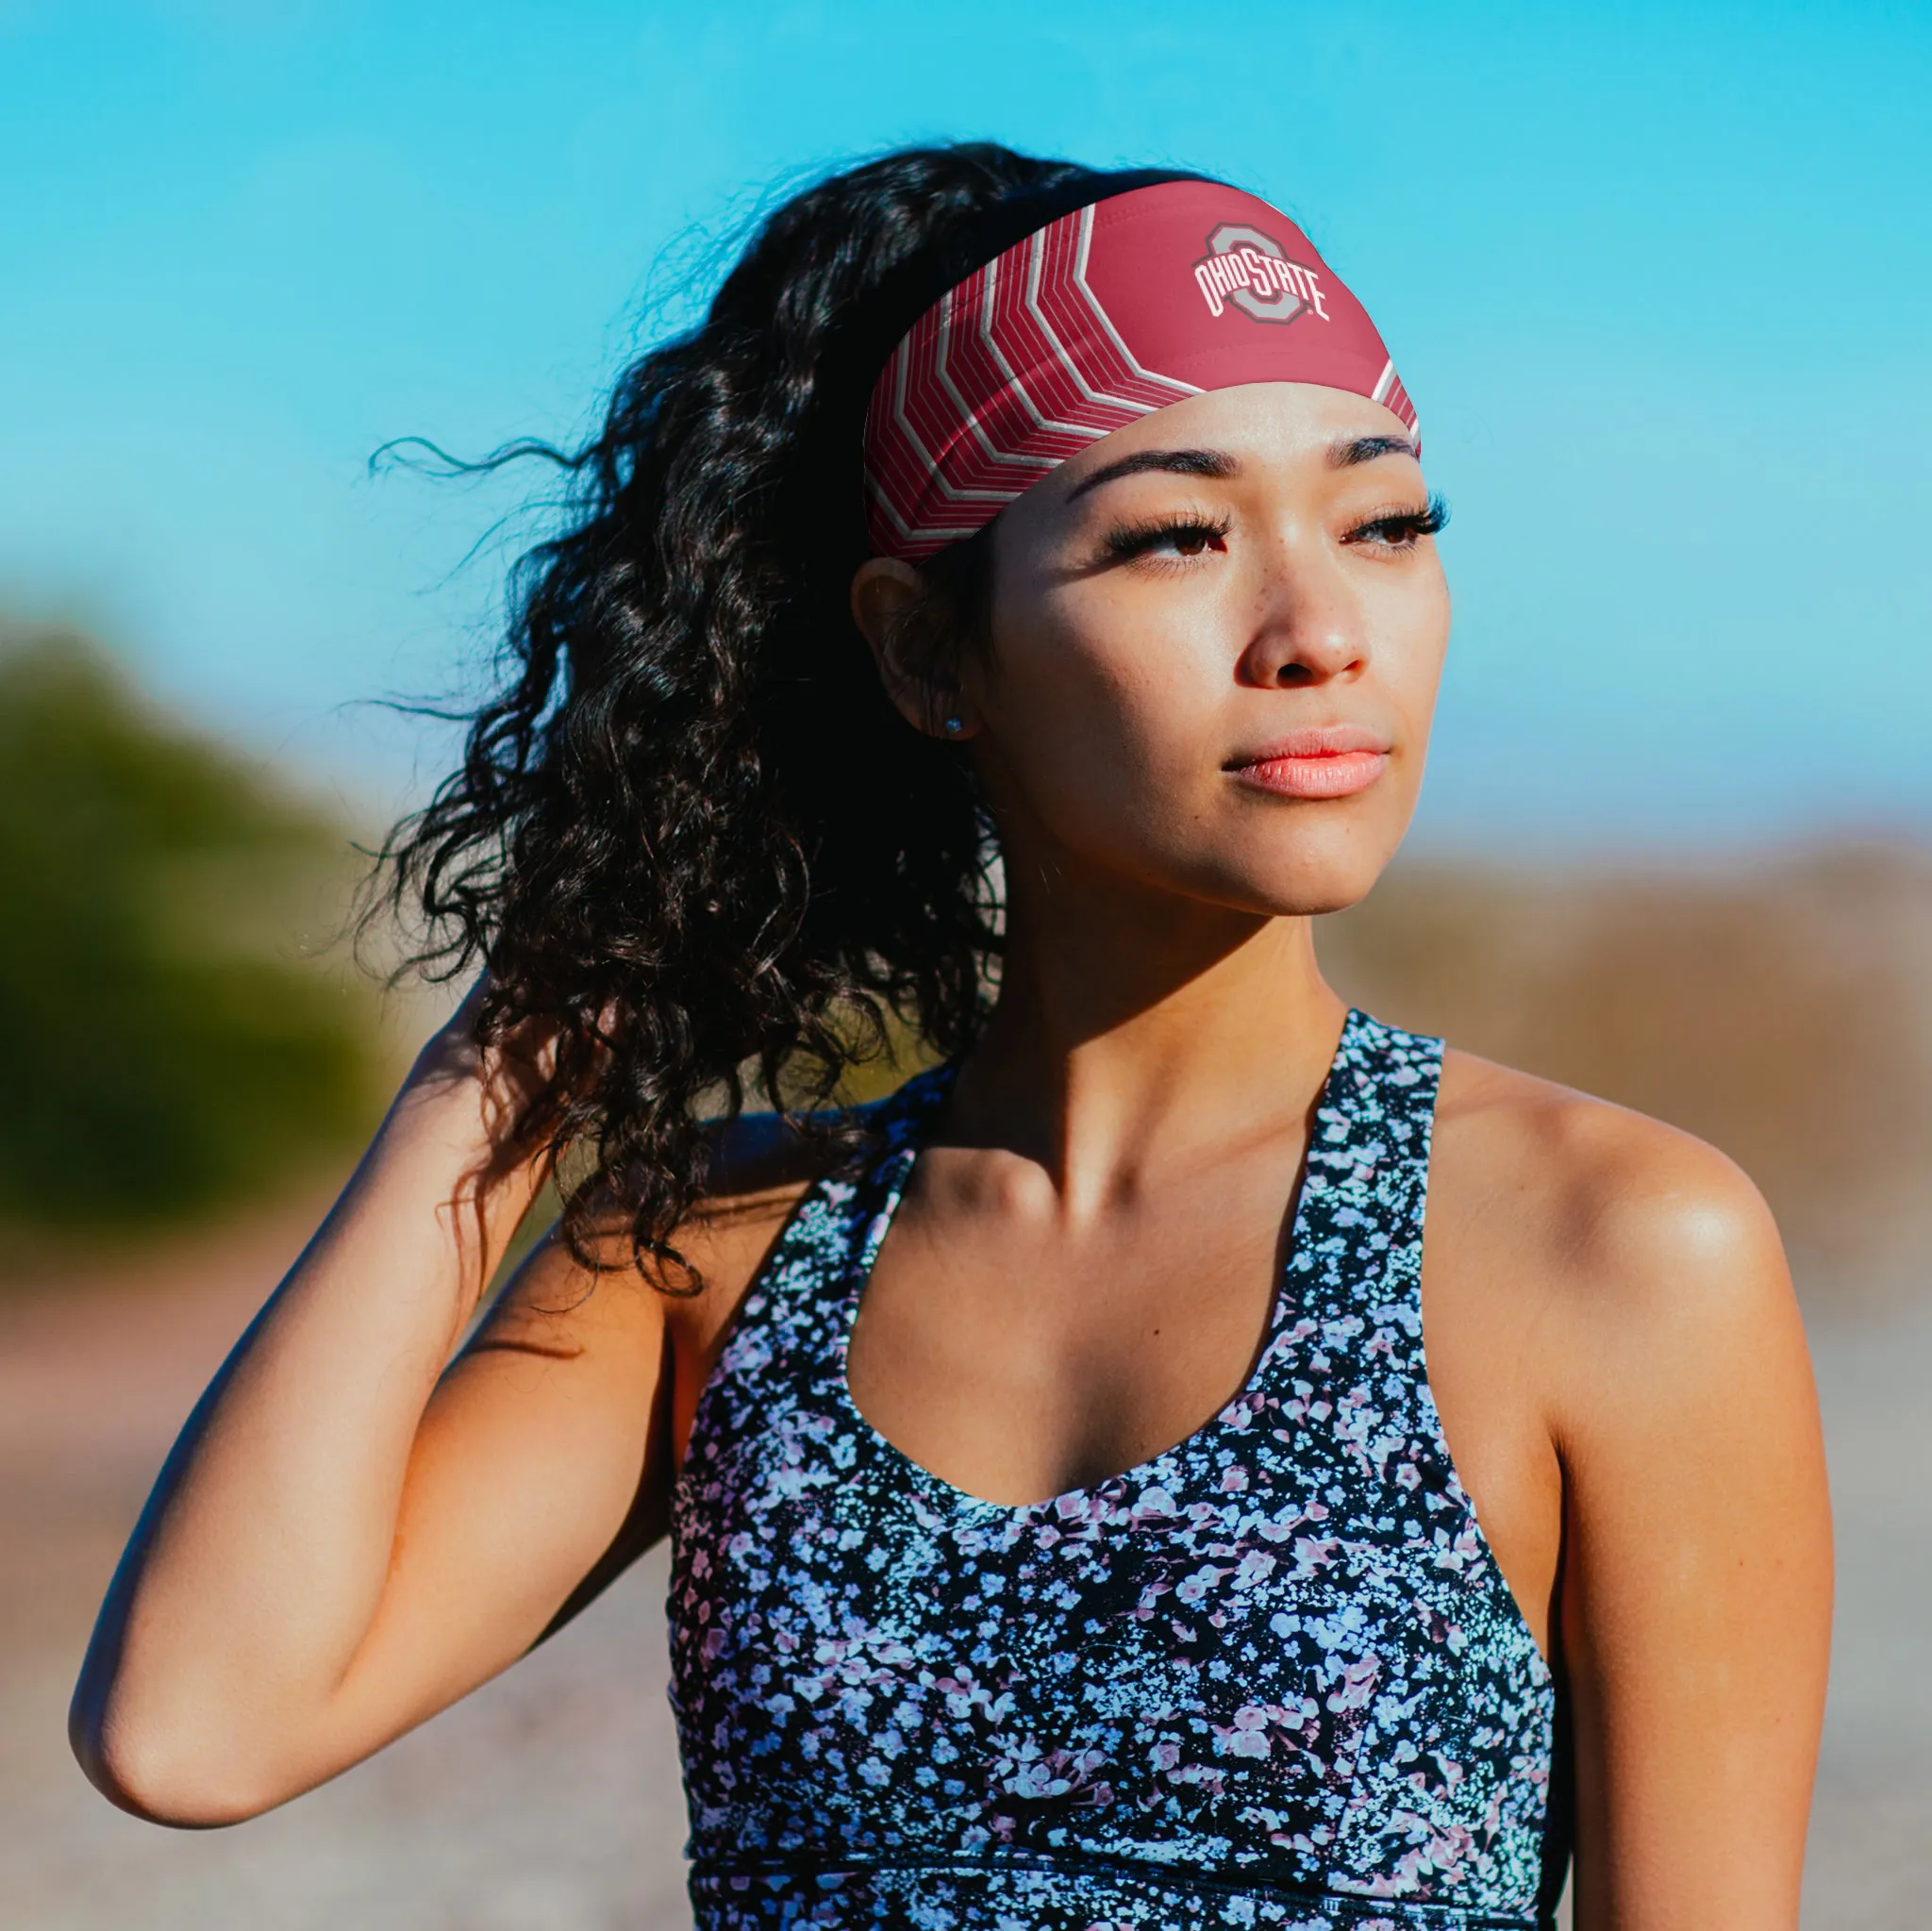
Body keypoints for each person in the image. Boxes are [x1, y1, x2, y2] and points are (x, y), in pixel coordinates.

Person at [71, 145, 1832, 1930]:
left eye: (1386, 524)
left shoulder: (1610, 1247)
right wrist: (533, 1035)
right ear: (928, 652)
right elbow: (194, 1726)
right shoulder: (715, 1263)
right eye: (1178, 535)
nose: (1319, 632)